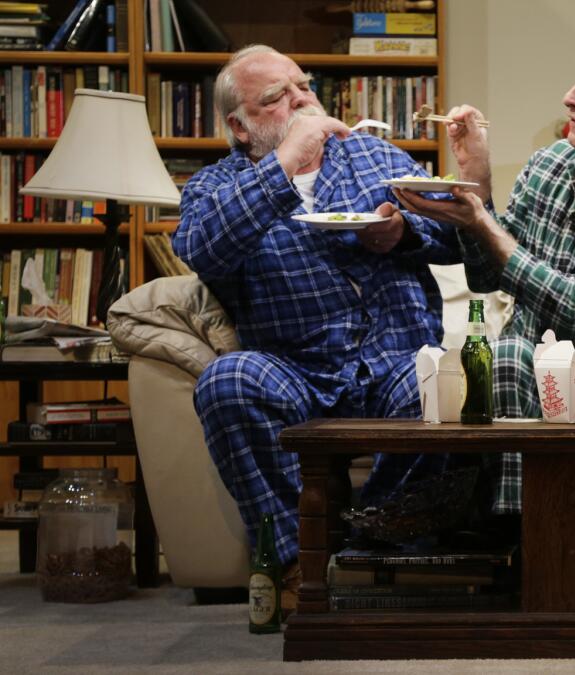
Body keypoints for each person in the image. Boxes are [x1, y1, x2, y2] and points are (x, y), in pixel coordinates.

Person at [174, 45, 460, 606]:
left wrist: (403, 235)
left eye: (304, 87)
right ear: (239, 125)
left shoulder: (376, 157)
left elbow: (459, 236)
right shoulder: (215, 186)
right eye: (278, 97)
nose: (302, 101)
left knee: (443, 381)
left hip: (393, 359)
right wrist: (285, 162)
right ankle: (294, 558)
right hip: (295, 368)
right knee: (227, 383)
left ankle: (370, 546)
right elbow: (201, 248)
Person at [395, 28, 575, 515]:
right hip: (518, 380)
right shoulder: (550, 165)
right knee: (478, 362)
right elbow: (488, 275)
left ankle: (518, 536)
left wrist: (482, 221)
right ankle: (474, 531)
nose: (569, 99)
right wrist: (478, 182)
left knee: (508, 354)